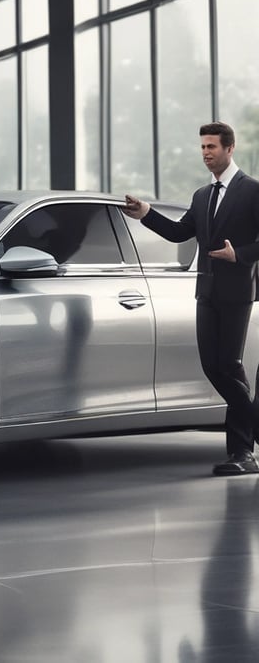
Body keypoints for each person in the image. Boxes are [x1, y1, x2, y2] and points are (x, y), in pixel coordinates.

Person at [124, 122, 259, 476]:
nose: (205, 153)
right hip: (206, 292)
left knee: (228, 365)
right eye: (202, 147)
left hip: (237, 293)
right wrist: (146, 214)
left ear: (230, 149)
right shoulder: (201, 196)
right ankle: (248, 441)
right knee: (213, 367)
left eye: (211, 147)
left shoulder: (252, 191)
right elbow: (178, 232)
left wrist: (240, 254)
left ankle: (242, 454)